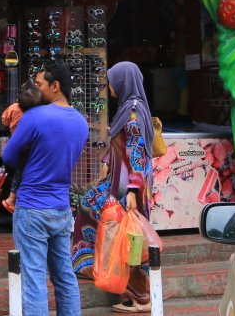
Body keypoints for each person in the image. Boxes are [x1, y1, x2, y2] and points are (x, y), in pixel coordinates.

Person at [2, 59, 89, 316]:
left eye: (39, 84)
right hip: (61, 208)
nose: (36, 89)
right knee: (65, 275)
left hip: (32, 208)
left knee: (34, 279)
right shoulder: (81, 123)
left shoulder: (35, 117)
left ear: (55, 86)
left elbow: (8, 156)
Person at [71, 61, 155, 313]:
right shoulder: (130, 107)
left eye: (111, 82)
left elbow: (137, 153)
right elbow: (121, 144)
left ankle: (141, 296)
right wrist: (107, 161)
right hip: (120, 180)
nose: (109, 87)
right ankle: (100, 269)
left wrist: (132, 190)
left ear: (123, 82)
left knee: (130, 238)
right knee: (92, 207)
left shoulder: (132, 112)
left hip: (128, 184)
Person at [0, 79, 43, 213]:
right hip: (31, 147)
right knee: (23, 173)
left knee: (20, 171)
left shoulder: (13, 108)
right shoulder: (36, 111)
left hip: (17, 145)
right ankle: (11, 199)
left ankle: (13, 199)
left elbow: (4, 120)